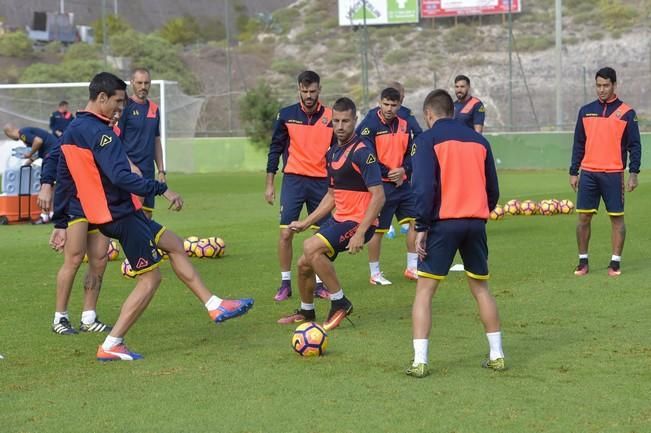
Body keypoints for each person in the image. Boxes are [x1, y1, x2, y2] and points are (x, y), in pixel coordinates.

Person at [51, 72, 253, 361]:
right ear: (102, 98)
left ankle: (214, 304)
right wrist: (159, 187)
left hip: (117, 212)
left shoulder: (74, 129)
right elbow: (121, 176)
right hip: (120, 214)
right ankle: (112, 343)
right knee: (150, 280)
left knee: (173, 243)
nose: (121, 109)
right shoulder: (101, 133)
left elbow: (63, 174)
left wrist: (60, 221)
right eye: (118, 102)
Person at [407, 89, 503, 378]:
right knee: (481, 288)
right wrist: (479, 213)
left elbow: (423, 187)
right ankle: (497, 354)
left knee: (424, 291)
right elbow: (493, 190)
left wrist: (421, 227)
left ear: (428, 114)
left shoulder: (426, 140)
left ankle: (420, 361)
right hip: (475, 223)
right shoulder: (479, 141)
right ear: (453, 111)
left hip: (443, 224)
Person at [277, 97, 385, 331]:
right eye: (335, 120)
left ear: (355, 121)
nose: (340, 126)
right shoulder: (333, 153)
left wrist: (361, 232)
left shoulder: (362, 152)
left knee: (310, 247)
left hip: (359, 221)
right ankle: (307, 312)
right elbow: (331, 196)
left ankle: (340, 302)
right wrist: (306, 222)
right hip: (341, 219)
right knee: (304, 263)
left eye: (346, 121)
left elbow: (378, 196)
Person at [38, 125, 113, 335]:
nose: (117, 113)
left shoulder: (114, 132)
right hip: (76, 203)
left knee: (99, 259)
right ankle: (60, 318)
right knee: (74, 259)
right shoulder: (81, 128)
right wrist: (46, 184)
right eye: (116, 105)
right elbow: (53, 156)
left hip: (100, 203)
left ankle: (89, 317)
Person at [265, 70, 333, 301]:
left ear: (319, 90)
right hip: (294, 180)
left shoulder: (332, 118)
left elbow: (338, 153)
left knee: (324, 237)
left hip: (321, 182)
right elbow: (275, 149)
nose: (308, 96)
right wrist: (270, 183)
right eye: (304, 91)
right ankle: (285, 283)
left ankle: (321, 284)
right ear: (299, 90)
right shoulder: (286, 115)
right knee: (286, 234)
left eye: (312, 91)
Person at [569, 66, 641, 277]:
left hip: (613, 174)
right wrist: (574, 171)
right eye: (598, 85)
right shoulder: (585, 111)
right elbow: (578, 143)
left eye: (606, 85)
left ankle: (615, 262)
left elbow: (634, 145)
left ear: (614, 85)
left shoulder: (627, 113)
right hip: (589, 173)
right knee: (583, 219)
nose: (601, 90)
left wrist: (633, 173)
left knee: (617, 219)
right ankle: (583, 261)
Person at [356, 87, 418, 285]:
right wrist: (389, 173)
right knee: (378, 230)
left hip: (403, 184)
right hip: (382, 186)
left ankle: (412, 267)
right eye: (386, 104)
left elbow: (412, 152)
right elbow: (367, 155)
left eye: (394, 105)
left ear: (400, 105)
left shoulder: (405, 124)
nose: (390, 109)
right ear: (379, 102)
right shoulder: (369, 125)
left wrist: (403, 170)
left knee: (416, 222)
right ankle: (375, 274)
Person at [114, 67, 166, 219]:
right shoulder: (125, 107)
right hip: (129, 172)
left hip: (148, 173)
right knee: (129, 217)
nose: (143, 87)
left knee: (146, 217)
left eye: (146, 83)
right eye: (139, 83)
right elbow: (116, 140)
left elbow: (156, 140)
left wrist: (161, 171)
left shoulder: (154, 109)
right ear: (131, 83)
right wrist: (130, 166)